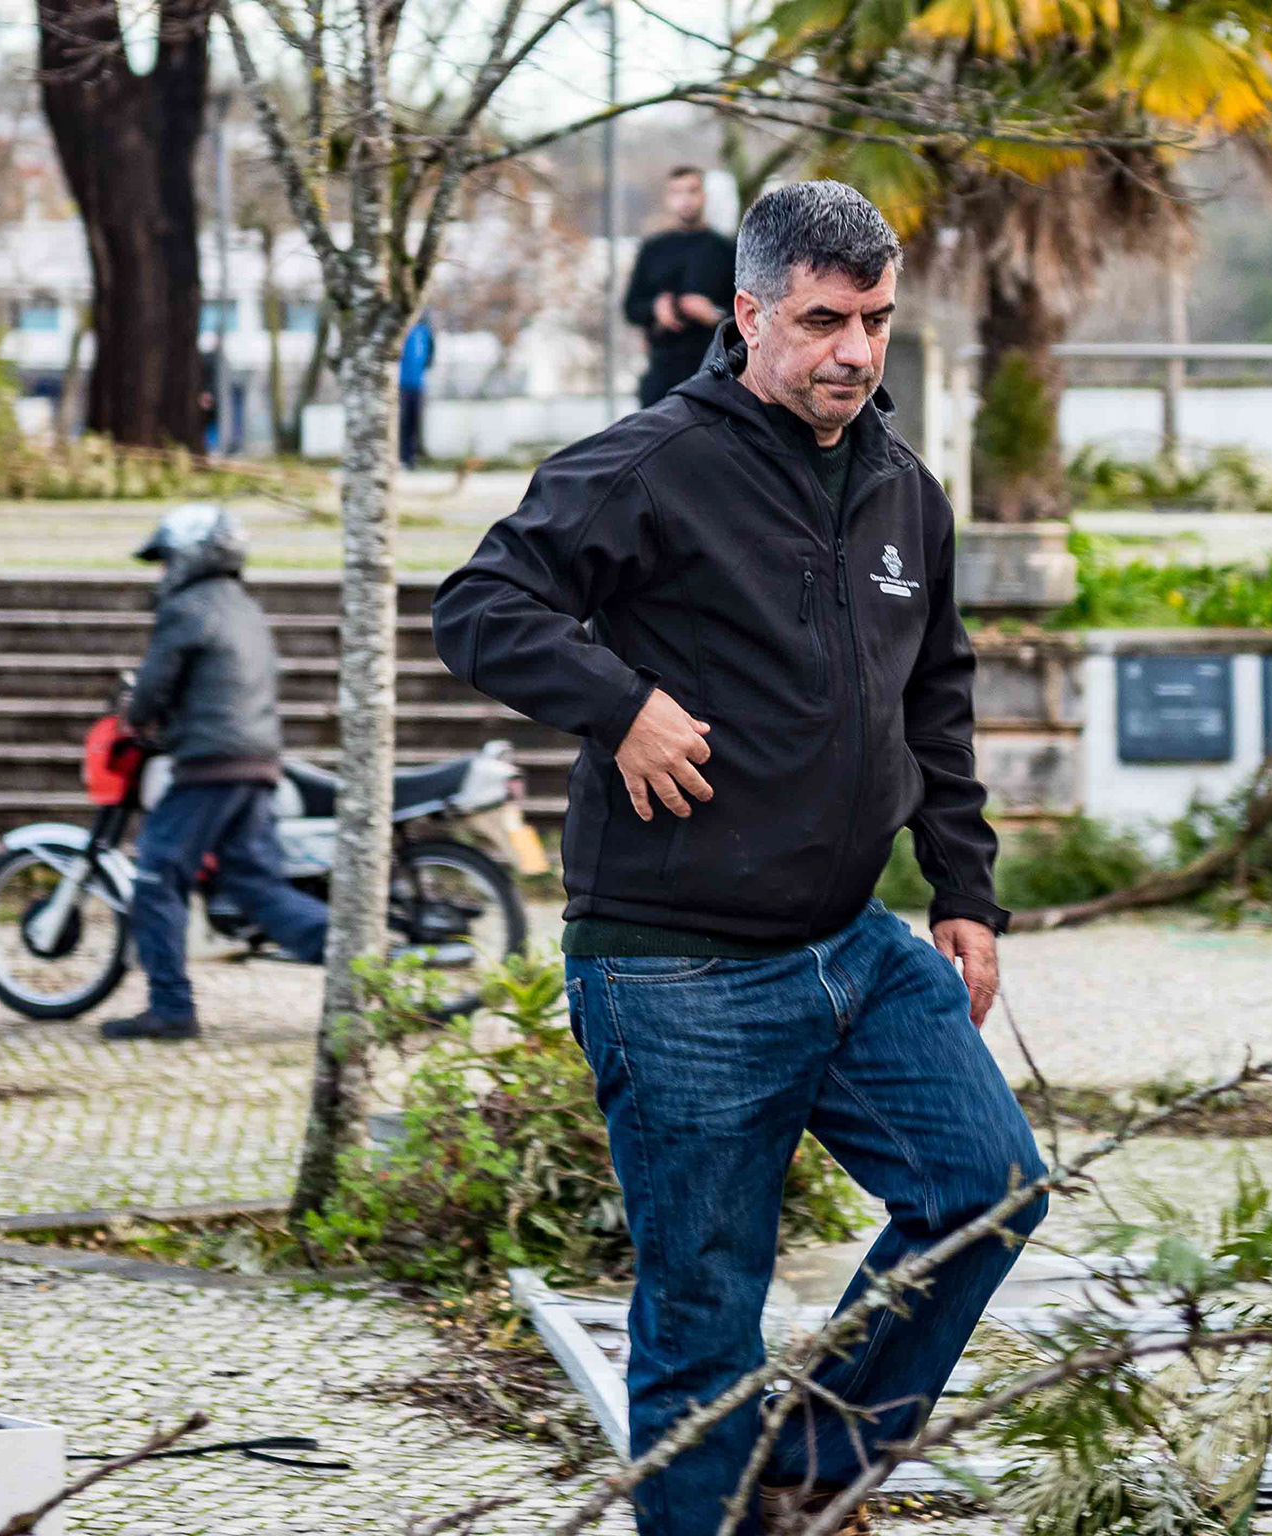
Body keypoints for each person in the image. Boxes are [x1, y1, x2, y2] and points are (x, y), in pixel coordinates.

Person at [431, 182, 1048, 1535]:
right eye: (825, 319)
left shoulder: (902, 490)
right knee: (705, 1325)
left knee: (987, 1189)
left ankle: (809, 1476)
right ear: (750, 313)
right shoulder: (656, 463)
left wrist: (963, 891)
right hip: (678, 969)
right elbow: (480, 604)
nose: (855, 350)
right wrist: (620, 702)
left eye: (876, 319)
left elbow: (931, 699)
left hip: (853, 950)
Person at [102, 503, 328, 1043]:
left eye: (165, 559)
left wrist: (136, 715)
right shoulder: (244, 607)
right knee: (257, 886)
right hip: (255, 762)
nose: (161, 572)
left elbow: (155, 684)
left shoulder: (185, 609)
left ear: (189, 556)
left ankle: (171, 1008)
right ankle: (367, 962)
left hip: (209, 764)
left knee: (156, 876)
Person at [621, 165, 737, 408]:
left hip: (713, 375)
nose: (685, 200)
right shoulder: (652, 250)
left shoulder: (727, 250)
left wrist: (713, 315)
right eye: (677, 192)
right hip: (661, 375)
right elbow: (630, 308)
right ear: (667, 198)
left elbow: (748, 313)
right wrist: (656, 308)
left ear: (704, 195)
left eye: (692, 190)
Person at [399, 313, 435, 468]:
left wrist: (424, 367)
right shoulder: (400, 328)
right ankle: (401, 456)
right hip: (399, 384)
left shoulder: (424, 330)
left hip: (418, 383)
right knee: (402, 422)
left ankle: (411, 458)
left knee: (415, 422)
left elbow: (431, 352)